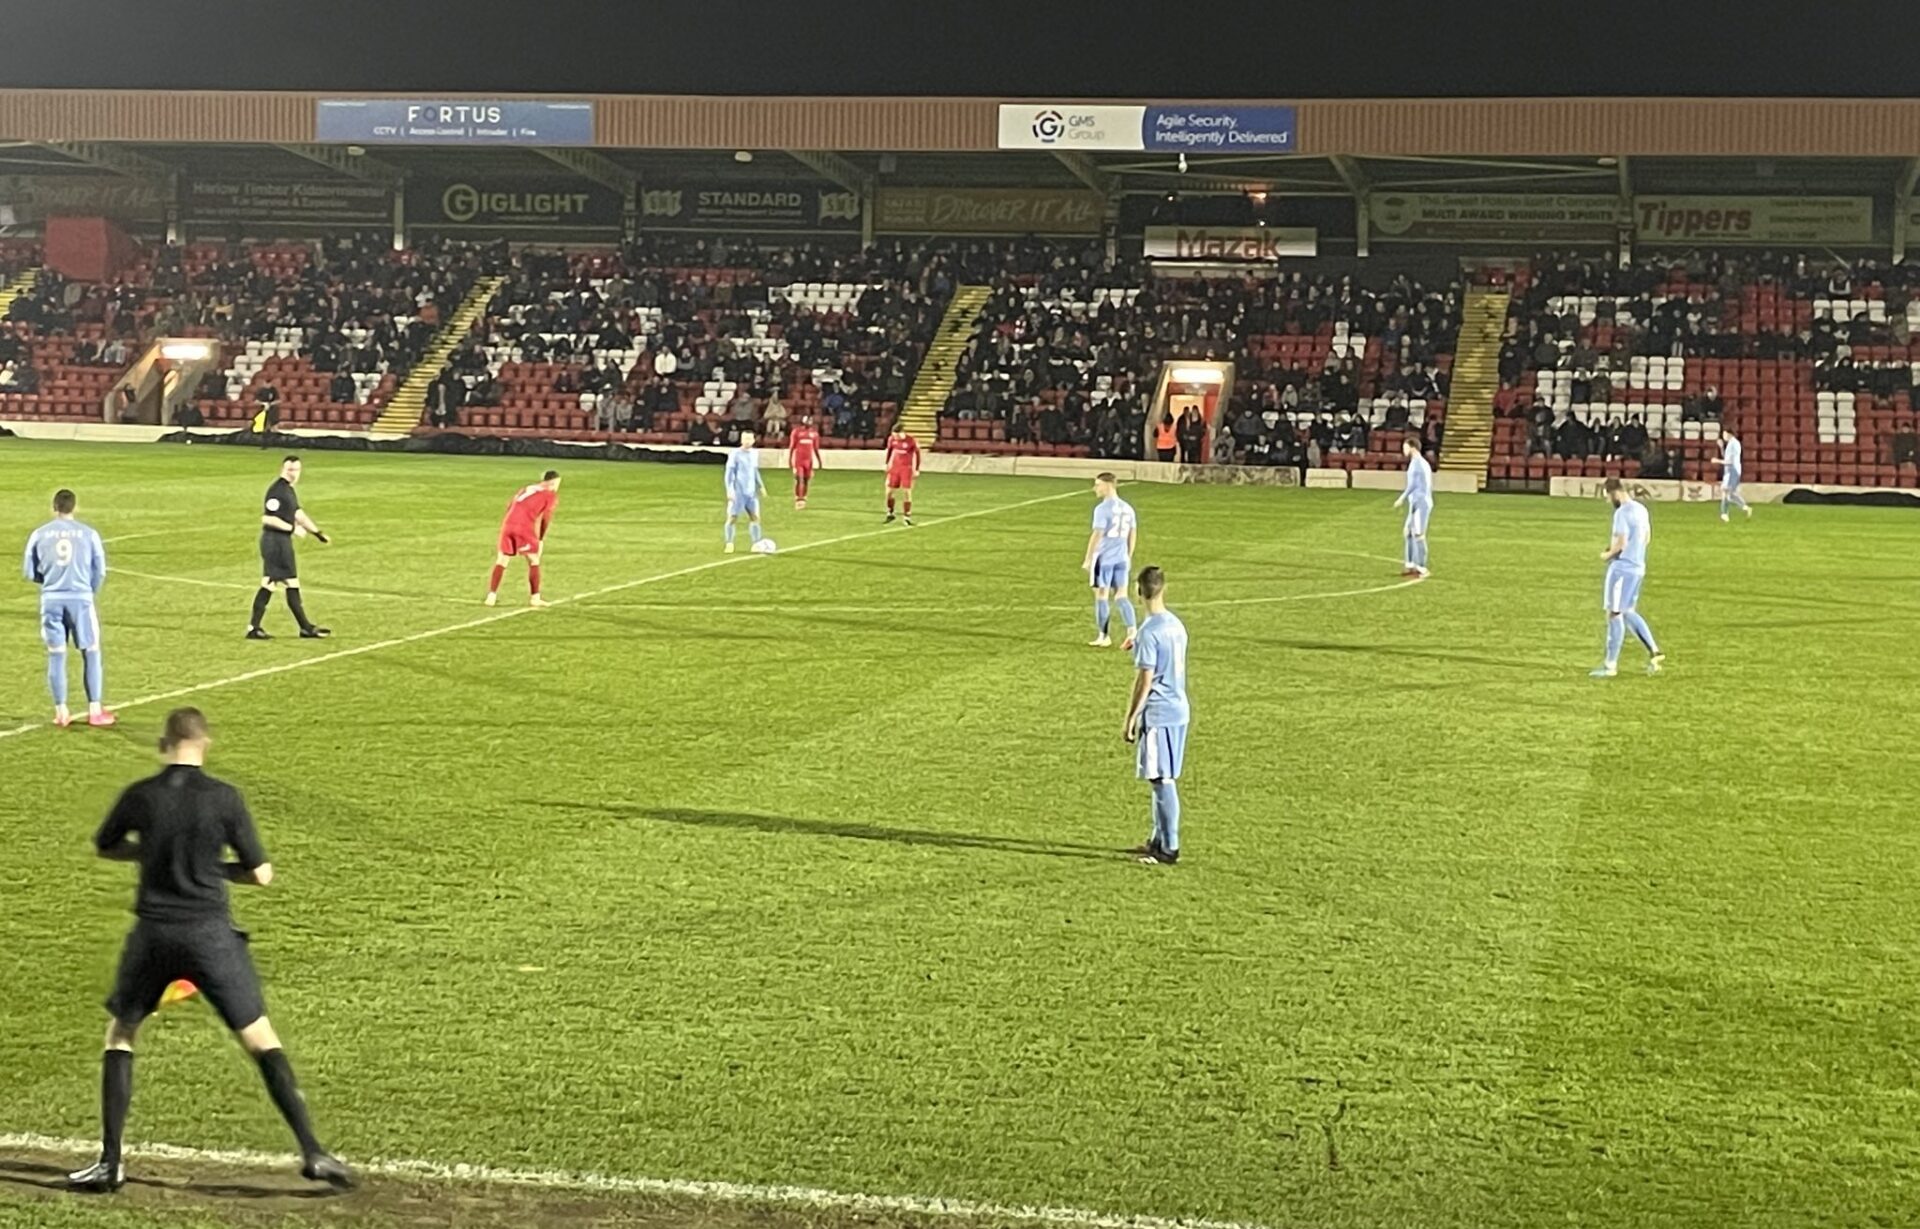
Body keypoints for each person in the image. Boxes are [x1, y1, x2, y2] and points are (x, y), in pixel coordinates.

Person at [66, 708, 356, 1195]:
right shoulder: (225, 798)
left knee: (121, 1035)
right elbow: (261, 874)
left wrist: (149, 853)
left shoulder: (141, 796)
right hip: (210, 936)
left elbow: (105, 846)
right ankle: (313, 1152)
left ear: (165, 743)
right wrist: (216, 870)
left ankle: (110, 1161)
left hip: (154, 935)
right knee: (260, 1038)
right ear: (205, 744)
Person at [23, 488, 114, 728]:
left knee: (56, 654)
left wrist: (50, 584)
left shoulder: (39, 534)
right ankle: (95, 710)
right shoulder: (88, 534)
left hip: (51, 599)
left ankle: (61, 712)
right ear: (74, 507)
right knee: (91, 651)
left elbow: (29, 572)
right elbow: (100, 570)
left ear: (54, 507)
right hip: (81, 599)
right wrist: (88, 590)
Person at [1123, 566, 1189, 866]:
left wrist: (1130, 717)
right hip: (1178, 708)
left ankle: (1169, 848)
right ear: (1163, 589)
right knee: (1160, 776)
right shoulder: (1175, 625)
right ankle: (1158, 839)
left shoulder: (1149, 632)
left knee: (1161, 779)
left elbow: (1145, 681)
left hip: (1160, 714)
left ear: (1139, 591)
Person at [248, 456, 330, 641]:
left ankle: (256, 627)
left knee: (272, 583)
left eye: (297, 470)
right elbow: (268, 519)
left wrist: (317, 532)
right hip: (275, 542)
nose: (294, 474)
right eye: (291, 470)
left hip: (280, 542)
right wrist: (292, 529)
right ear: (283, 469)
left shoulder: (289, 491)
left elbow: (298, 514)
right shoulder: (277, 491)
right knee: (287, 582)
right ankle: (304, 628)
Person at [1593, 476, 1665, 679]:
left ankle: (1610, 666)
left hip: (1622, 569)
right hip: (1638, 567)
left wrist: (1607, 555)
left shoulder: (1622, 513)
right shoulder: (1641, 509)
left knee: (1614, 614)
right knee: (1628, 610)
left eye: (1608, 497)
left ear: (1613, 492)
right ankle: (1654, 651)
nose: (1608, 501)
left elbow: (1621, 543)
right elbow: (1647, 538)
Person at [484, 471, 561, 608]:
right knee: (533, 560)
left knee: (502, 560)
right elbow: (546, 518)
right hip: (523, 528)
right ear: (552, 482)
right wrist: (540, 539)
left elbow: (510, 506)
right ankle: (535, 598)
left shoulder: (527, 488)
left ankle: (491, 596)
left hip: (507, 525)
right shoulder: (549, 495)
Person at [1081, 473, 1138, 649]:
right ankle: (1132, 631)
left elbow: (1097, 534)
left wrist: (1088, 558)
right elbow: (1133, 533)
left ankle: (1103, 635)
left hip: (1103, 558)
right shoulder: (1128, 508)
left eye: (1098, 485)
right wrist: (1128, 555)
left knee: (1101, 596)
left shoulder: (1102, 509)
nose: (1095, 488)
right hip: (1121, 558)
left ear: (1108, 486)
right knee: (1121, 595)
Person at [1392, 437, 1434, 578]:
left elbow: (1414, 485)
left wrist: (1401, 498)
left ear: (1412, 447)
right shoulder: (1419, 463)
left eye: (1405, 447)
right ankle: (1410, 565)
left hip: (1421, 503)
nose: (1403, 450)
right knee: (1408, 532)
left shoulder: (1418, 464)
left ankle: (1422, 567)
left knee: (1418, 534)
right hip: (1416, 502)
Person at [723, 429, 767, 554]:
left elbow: (754, 471)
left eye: (749, 438)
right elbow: (729, 474)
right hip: (738, 492)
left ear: (753, 440)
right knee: (732, 518)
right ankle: (729, 543)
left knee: (755, 518)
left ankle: (756, 543)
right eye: (744, 438)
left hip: (751, 492)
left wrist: (761, 486)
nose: (746, 441)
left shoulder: (754, 453)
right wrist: (729, 490)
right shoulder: (735, 454)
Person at [1705, 427, 1752, 523]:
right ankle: (1731, 512)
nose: (1723, 436)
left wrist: (1717, 461)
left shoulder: (1734, 444)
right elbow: (1726, 457)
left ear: (1728, 434)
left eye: (1724, 434)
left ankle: (1729, 512)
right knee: (1727, 493)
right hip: (1729, 471)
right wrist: (1721, 447)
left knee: (1727, 492)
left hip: (1733, 471)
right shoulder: (1731, 444)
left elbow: (1730, 461)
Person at [883, 422, 921, 526]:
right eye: (894, 435)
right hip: (895, 468)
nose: (895, 437)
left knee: (906, 492)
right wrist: (887, 464)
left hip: (906, 469)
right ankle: (890, 513)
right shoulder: (892, 439)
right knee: (889, 491)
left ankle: (907, 516)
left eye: (897, 435)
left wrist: (916, 469)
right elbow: (889, 451)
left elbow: (918, 455)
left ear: (902, 433)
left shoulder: (911, 441)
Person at [789, 414, 823, 509]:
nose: (809, 422)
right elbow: (792, 447)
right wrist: (790, 461)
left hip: (809, 461)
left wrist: (819, 461)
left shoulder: (814, 434)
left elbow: (815, 449)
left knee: (806, 480)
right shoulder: (796, 432)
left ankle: (804, 498)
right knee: (799, 479)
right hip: (799, 460)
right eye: (808, 420)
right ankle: (798, 498)